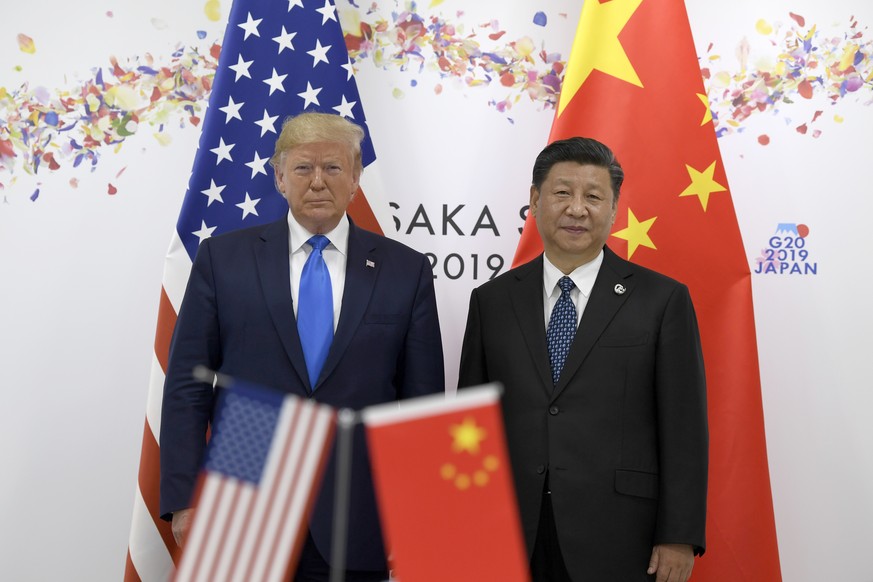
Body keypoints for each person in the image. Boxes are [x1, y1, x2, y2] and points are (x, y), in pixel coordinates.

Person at [160, 112, 445, 581]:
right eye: (302, 168)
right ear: (279, 177)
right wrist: (184, 498)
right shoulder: (222, 258)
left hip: (360, 515)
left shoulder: (405, 270)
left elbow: (420, 404)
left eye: (333, 168)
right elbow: (188, 387)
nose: (318, 182)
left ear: (355, 179)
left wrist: (414, 515)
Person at [458, 137, 708, 581]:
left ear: (613, 210)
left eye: (593, 196)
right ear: (535, 201)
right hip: (514, 530)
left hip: (621, 533)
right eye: (562, 193)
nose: (577, 209)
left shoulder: (662, 299)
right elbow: (471, 425)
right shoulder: (492, 301)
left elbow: (684, 426)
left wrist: (679, 534)